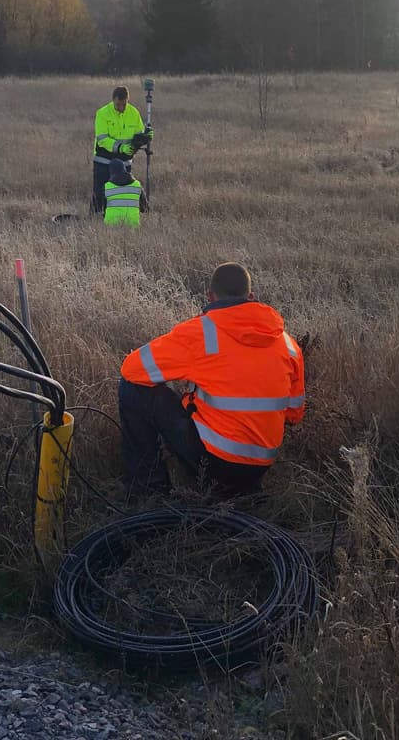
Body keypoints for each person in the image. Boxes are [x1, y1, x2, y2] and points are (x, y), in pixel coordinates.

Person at [118, 262, 305, 497]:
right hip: (260, 467)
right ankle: (244, 491)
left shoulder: (200, 333)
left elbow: (131, 369)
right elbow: (294, 415)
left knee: (132, 389)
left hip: (214, 464)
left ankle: (147, 492)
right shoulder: (288, 344)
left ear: (210, 296)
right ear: (252, 296)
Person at [92, 86, 151, 215]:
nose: (121, 107)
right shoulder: (102, 113)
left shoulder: (133, 113)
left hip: (124, 163)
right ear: (113, 100)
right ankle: (95, 218)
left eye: (124, 104)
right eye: (118, 104)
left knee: (123, 192)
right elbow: (102, 139)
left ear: (127, 100)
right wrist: (121, 148)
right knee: (99, 194)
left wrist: (145, 138)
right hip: (103, 161)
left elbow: (138, 134)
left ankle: (120, 216)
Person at [103, 158, 145, 228]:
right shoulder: (137, 185)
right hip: (133, 226)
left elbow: (102, 208)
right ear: (124, 169)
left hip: (111, 226)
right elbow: (144, 208)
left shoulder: (107, 187)